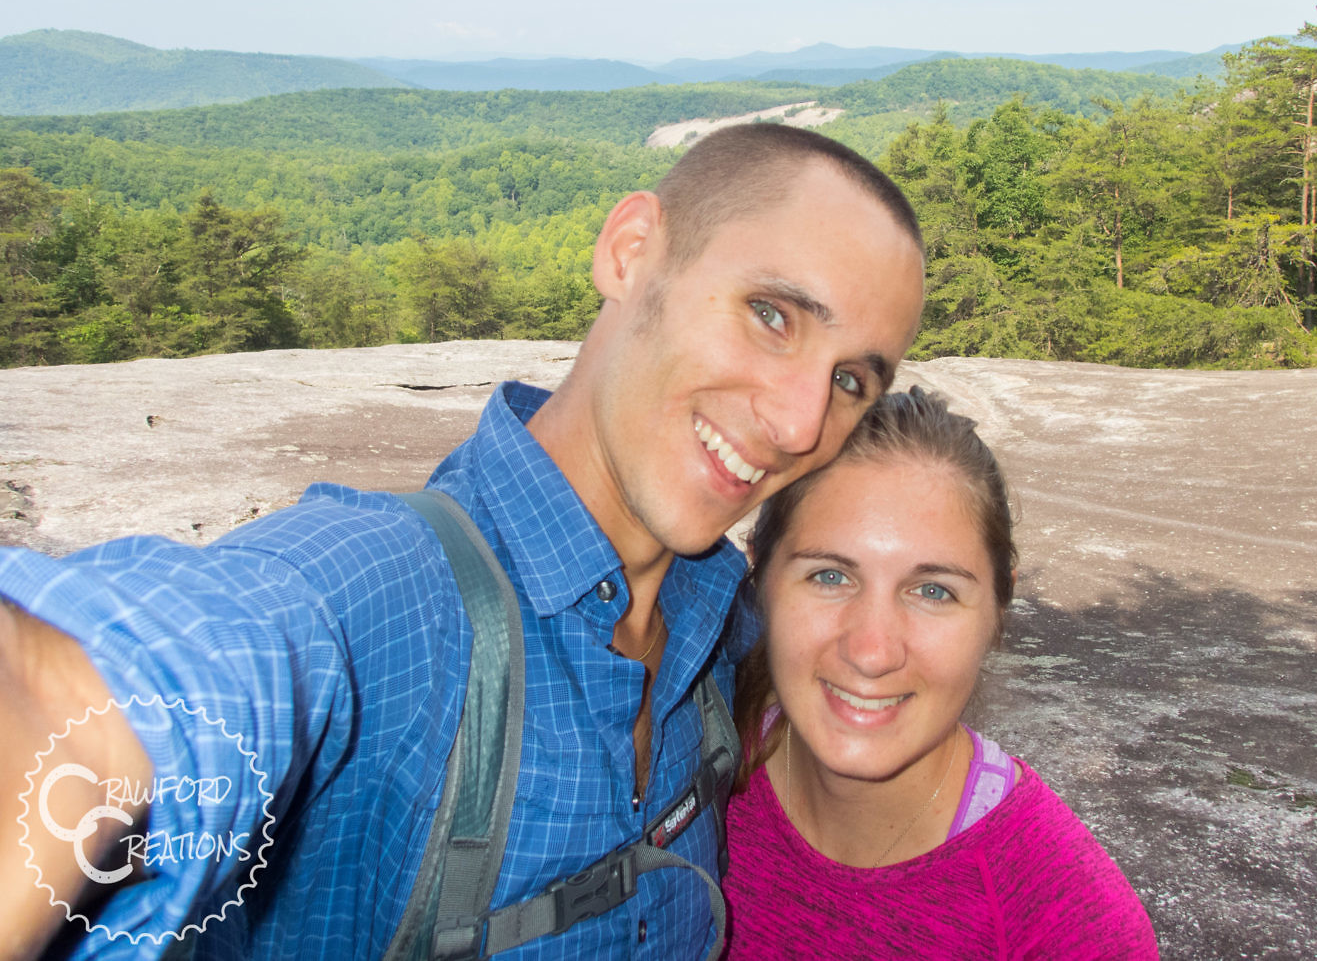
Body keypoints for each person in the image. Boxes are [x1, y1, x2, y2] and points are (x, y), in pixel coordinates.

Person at [0, 124, 927, 961]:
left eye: (850, 381)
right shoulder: (387, 591)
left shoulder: (723, 617)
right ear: (631, 251)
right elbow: (161, 666)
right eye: (772, 315)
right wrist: (64, 715)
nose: (800, 423)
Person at [722, 387, 1158, 959]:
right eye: (830, 576)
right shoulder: (694, 765)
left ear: (998, 609)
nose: (872, 652)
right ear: (759, 574)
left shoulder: (1068, 925)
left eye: (933, 591)